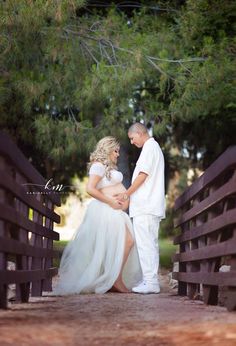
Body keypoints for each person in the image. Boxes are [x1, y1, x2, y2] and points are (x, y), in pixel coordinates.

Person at [53, 136, 142, 295]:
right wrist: (110, 202)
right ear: (107, 149)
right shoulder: (98, 166)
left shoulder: (111, 169)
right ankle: (115, 278)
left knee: (120, 243)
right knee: (127, 241)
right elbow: (90, 189)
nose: (117, 154)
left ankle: (112, 278)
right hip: (105, 210)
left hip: (116, 211)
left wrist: (124, 201)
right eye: (115, 151)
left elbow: (119, 188)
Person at [115, 123, 165, 294]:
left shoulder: (150, 148)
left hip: (146, 205)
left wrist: (127, 193)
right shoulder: (153, 148)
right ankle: (150, 280)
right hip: (149, 205)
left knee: (146, 244)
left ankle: (150, 282)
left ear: (139, 132)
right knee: (149, 243)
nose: (131, 142)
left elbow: (143, 175)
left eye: (132, 138)